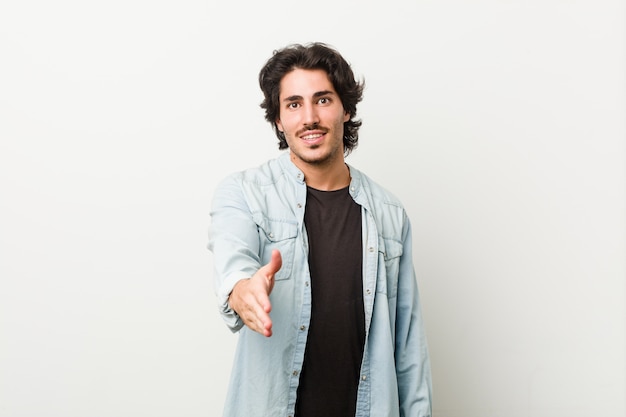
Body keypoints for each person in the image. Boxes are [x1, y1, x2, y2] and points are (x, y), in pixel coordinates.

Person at [208, 42, 432, 417]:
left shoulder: (390, 214)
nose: (309, 117)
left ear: (346, 109)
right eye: (293, 104)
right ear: (279, 119)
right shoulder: (245, 193)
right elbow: (233, 259)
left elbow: (408, 348)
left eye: (323, 100)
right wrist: (243, 289)